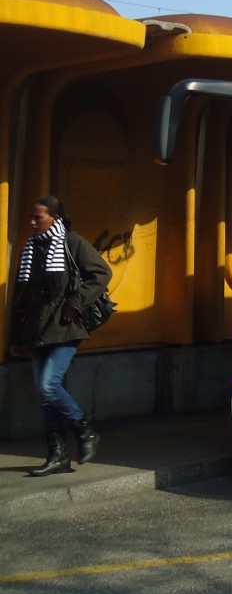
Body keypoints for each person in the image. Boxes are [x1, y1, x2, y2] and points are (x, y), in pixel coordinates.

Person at [9, 196, 112, 476]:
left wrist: (76, 303)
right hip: (36, 331)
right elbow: (21, 298)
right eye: (31, 217)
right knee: (46, 396)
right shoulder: (29, 249)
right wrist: (16, 338)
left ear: (54, 218)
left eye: (38, 217)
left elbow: (102, 273)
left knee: (48, 386)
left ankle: (85, 430)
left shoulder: (72, 242)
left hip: (65, 327)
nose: (32, 222)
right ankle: (58, 457)